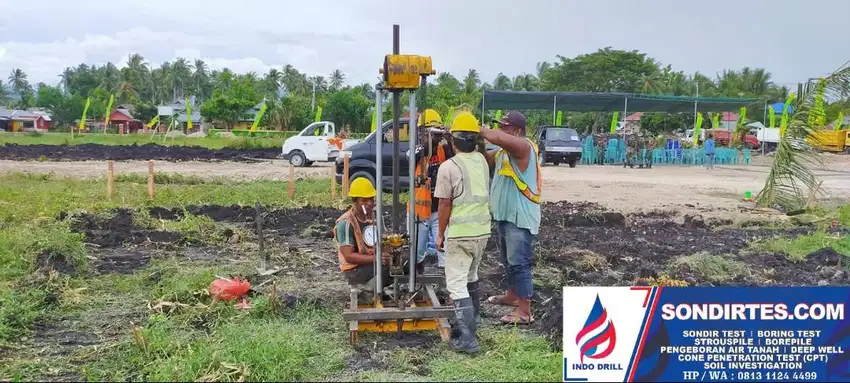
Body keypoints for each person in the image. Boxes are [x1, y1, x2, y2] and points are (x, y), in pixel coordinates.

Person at [435, 111, 491, 354]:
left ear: (453, 140)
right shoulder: (482, 161)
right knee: (471, 277)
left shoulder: (448, 167)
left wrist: (439, 234)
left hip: (460, 234)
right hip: (482, 232)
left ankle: (467, 339)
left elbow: (444, 204)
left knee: (456, 284)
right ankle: (474, 322)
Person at [478, 111, 540, 325]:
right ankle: (513, 295)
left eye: (504, 128)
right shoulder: (503, 153)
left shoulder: (525, 147)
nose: (500, 131)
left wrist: (479, 129)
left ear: (516, 131)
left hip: (519, 217)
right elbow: (486, 158)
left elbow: (498, 138)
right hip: (505, 215)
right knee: (508, 260)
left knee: (519, 263)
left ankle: (524, 311)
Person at [409, 109, 454, 272]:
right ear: (423, 132)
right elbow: (410, 159)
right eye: (433, 133)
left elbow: (456, 157)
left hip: (438, 210)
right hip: (419, 213)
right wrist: (429, 142)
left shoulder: (444, 150)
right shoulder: (415, 151)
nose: (437, 137)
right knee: (417, 250)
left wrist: (449, 139)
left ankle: (444, 279)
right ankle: (416, 272)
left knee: (443, 248)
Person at [333, 177, 390, 302]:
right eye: (364, 200)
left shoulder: (375, 217)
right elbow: (349, 256)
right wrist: (376, 259)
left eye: (371, 199)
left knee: (404, 263)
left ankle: (379, 289)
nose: (369, 203)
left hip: (372, 262)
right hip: (354, 269)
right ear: (355, 200)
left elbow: (383, 240)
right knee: (386, 268)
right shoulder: (346, 223)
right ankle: (366, 295)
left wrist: (389, 251)